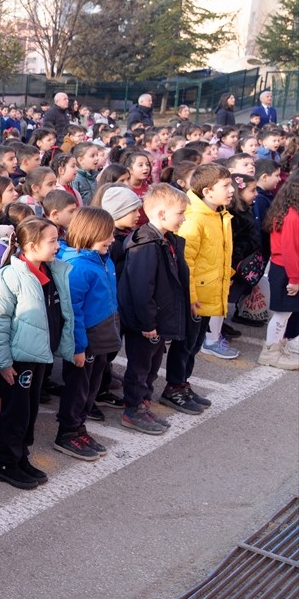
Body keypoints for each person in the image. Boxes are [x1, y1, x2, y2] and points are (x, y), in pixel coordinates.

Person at [0, 218, 77, 490]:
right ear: (32, 245)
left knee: (31, 409)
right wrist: (1, 362)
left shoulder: (51, 270)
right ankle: (6, 463)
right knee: (16, 412)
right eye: (52, 241)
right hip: (19, 359)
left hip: (39, 355)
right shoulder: (8, 277)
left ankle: (21, 456)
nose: (58, 246)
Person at [118, 184, 190, 434]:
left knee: (152, 365)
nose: (183, 218)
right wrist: (147, 322)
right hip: (146, 322)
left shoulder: (164, 239)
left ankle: (144, 402)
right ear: (161, 213)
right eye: (180, 213)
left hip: (159, 319)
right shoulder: (146, 245)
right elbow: (141, 288)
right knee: (139, 367)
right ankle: (132, 408)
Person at [56, 207, 120, 460]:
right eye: (108, 234)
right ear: (91, 232)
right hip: (86, 341)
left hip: (101, 337)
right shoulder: (78, 267)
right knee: (78, 388)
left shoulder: (103, 259)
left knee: (91, 387)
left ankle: (79, 426)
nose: (113, 238)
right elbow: (74, 313)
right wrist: (78, 347)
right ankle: (67, 432)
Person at [178, 164, 237, 372]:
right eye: (226, 185)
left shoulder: (218, 214)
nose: (232, 190)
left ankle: (183, 383)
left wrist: (226, 275)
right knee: (185, 347)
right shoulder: (195, 219)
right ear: (207, 191)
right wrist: (192, 296)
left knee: (194, 345)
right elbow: (186, 262)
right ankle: (176, 384)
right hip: (196, 298)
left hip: (206, 291)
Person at [260, 176, 299, 368]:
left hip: (285, 269)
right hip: (286, 271)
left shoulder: (286, 211)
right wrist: (294, 279)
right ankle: (270, 353)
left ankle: (278, 347)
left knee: (285, 314)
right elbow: (290, 251)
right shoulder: (292, 216)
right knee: (282, 314)